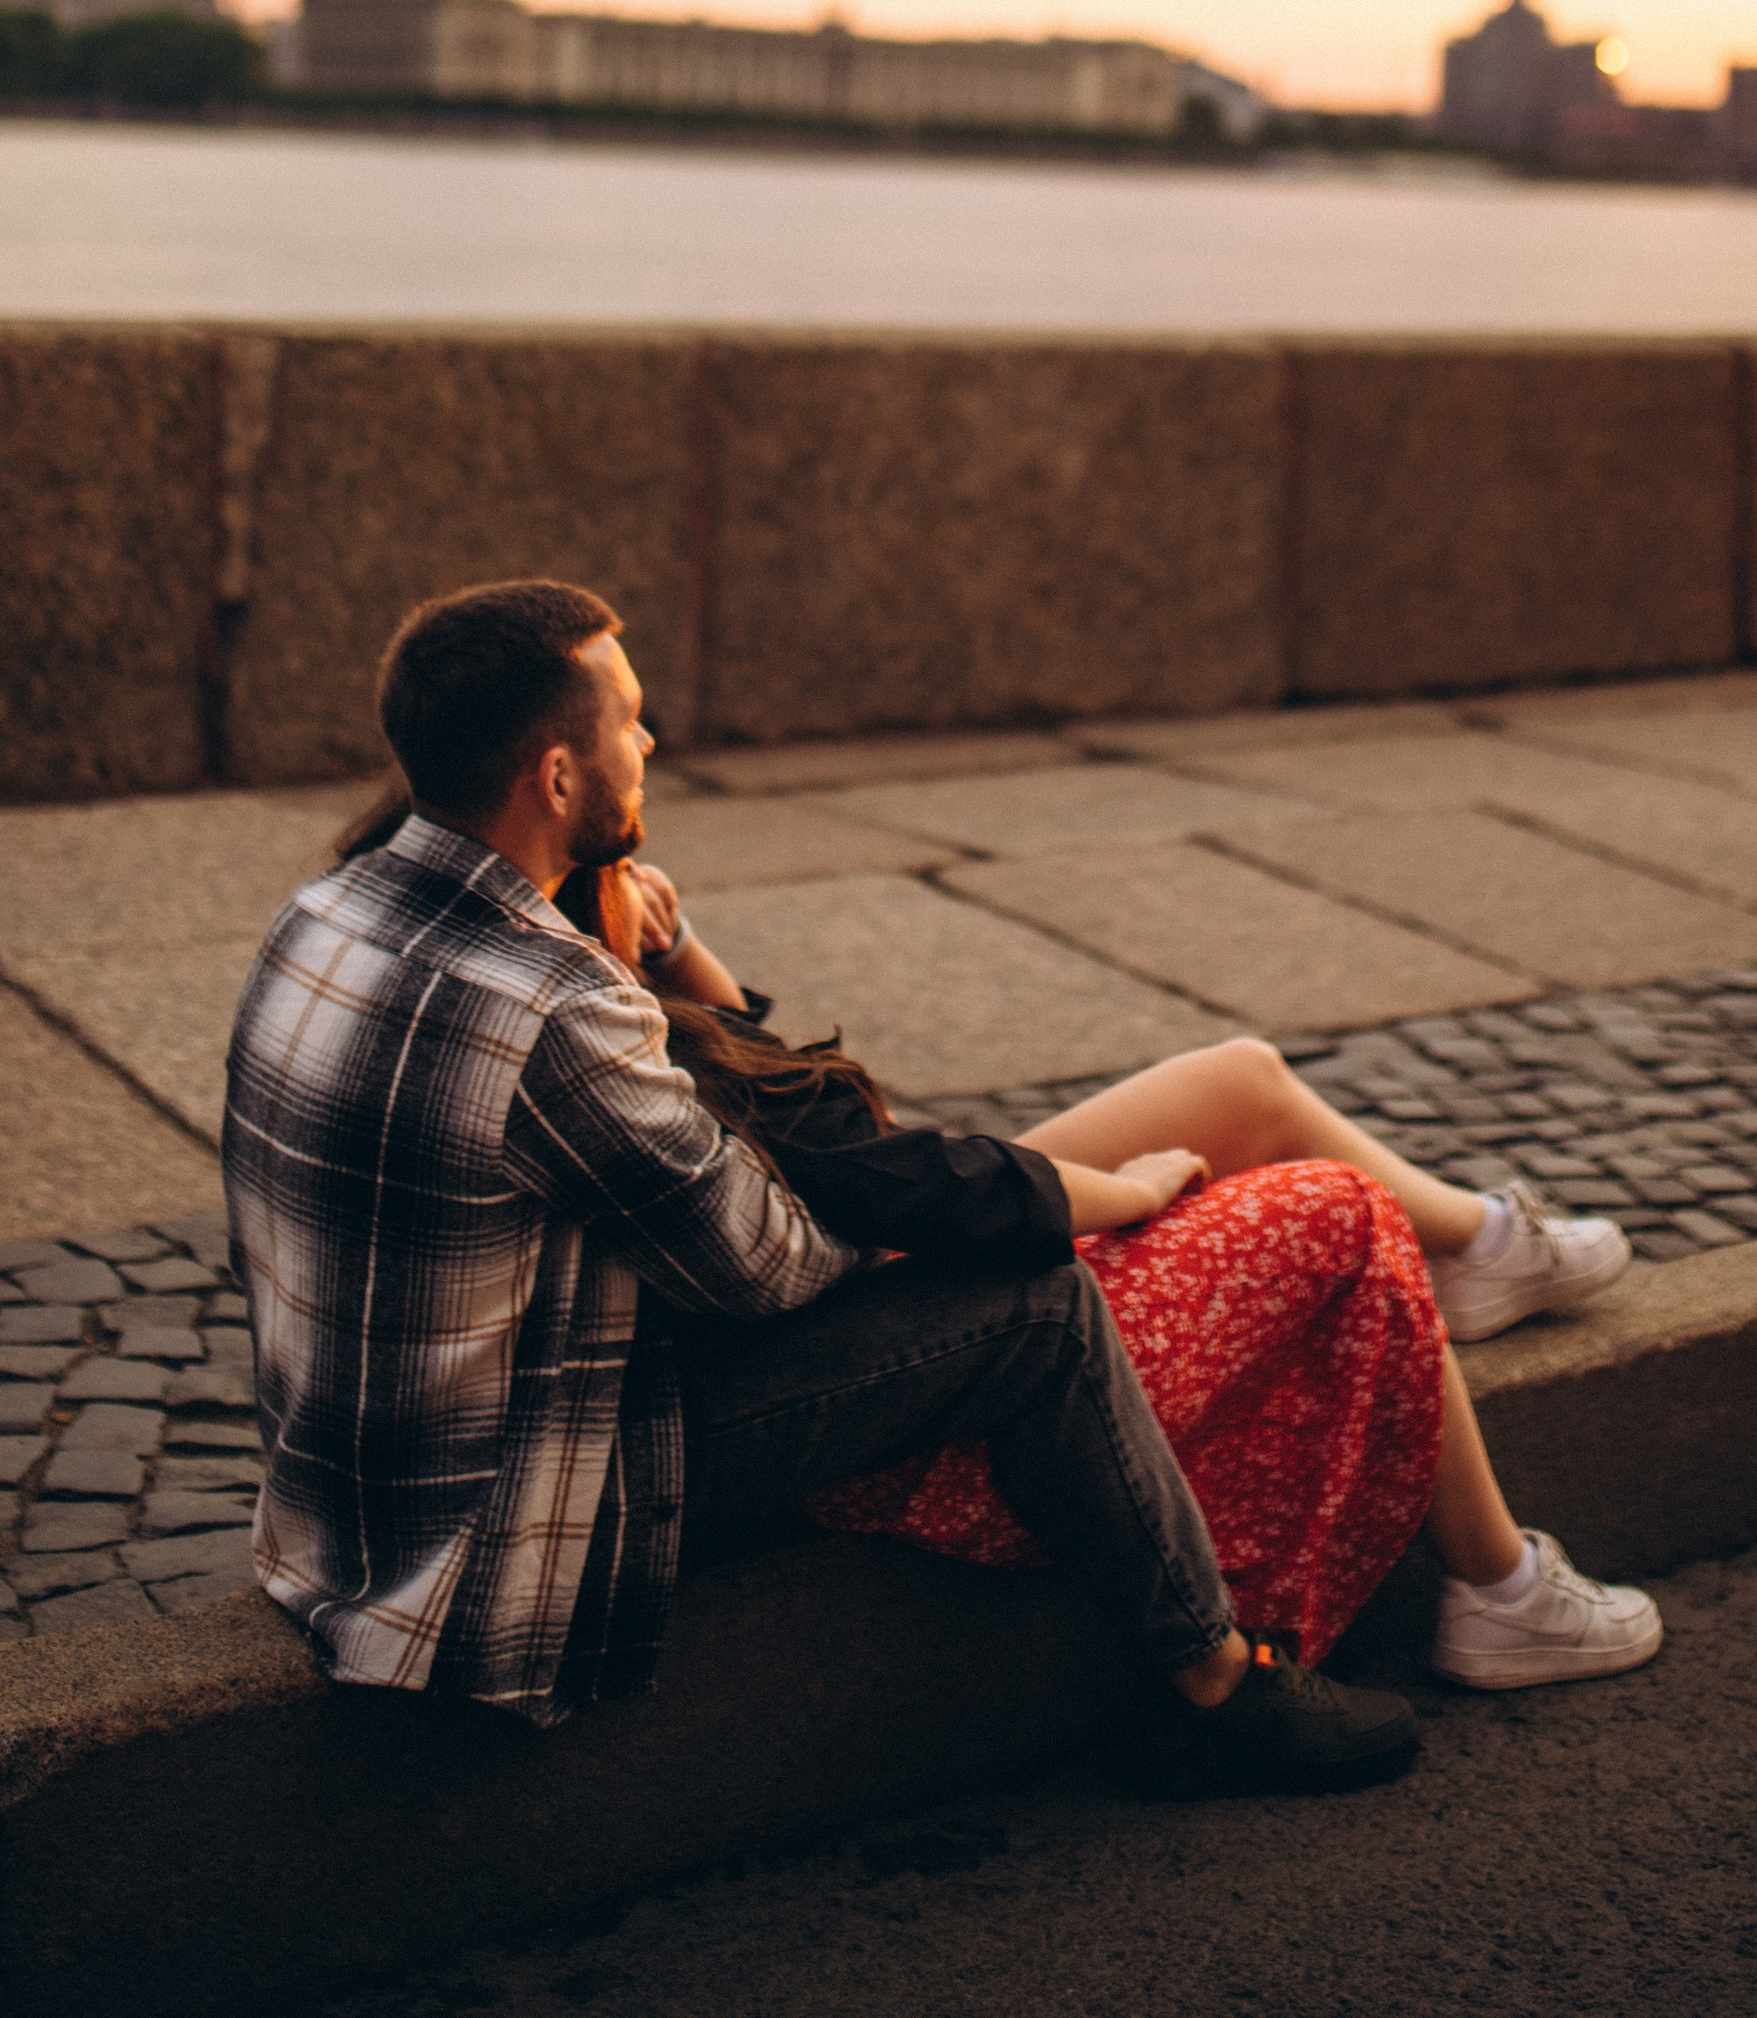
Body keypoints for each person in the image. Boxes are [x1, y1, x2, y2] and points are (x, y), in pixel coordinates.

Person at [224, 580, 1658, 1806]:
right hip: (516, 1524)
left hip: (344, 1512)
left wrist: (958, 1165)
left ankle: (1476, 1335)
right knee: (1036, 1313)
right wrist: (1029, 1204)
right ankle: (1214, 1688)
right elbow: (774, 1266)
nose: (651, 741)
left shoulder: (331, 915)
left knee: (1130, 1146)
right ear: (554, 779)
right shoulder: (552, 1003)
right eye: (630, 722)